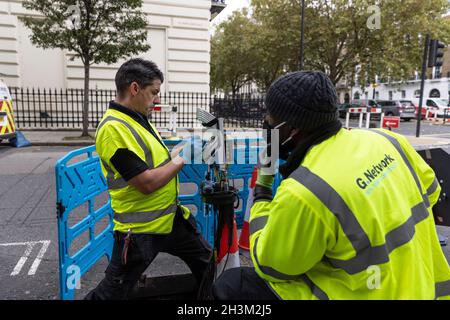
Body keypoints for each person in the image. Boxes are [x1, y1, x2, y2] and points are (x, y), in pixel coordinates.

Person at [212, 71, 450, 300]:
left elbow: (271, 266)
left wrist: (262, 193)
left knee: (232, 285)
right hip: (425, 286)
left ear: (292, 128)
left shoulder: (306, 190)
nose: (266, 121)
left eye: (271, 116)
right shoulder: (389, 140)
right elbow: (432, 194)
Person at [85, 58, 211, 300]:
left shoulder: (136, 119)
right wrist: (184, 156)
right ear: (134, 88)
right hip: (140, 231)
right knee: (110, 293)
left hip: (169, 220)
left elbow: (156, 163)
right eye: (154, 92)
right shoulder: (113, 129)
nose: (158, 100)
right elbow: (146, 183)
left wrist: (183, 148)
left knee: (208, 264)